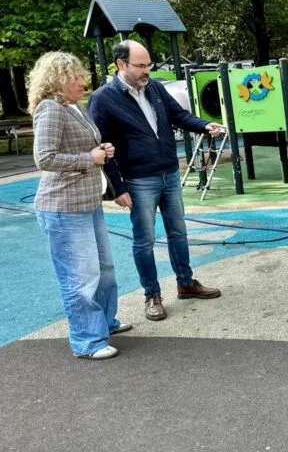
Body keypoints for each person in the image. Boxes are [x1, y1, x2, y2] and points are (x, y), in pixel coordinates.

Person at [88, 40, 224, 322]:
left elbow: (178, 115)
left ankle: (185, 283)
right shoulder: (103, 99)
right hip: (138, 180)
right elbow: (102, 145)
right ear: (121, 65)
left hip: (169, 173)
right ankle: (152, 294)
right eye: (140, 65)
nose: (146, 70)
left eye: (148, 64)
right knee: (144, 240)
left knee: (178, 232)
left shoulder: (155, 88)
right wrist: (118, 187)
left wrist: (204, 126)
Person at [30, 51, 131, 360]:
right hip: (63, 207)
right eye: (75, 77)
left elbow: (80, 147)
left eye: (81, 76)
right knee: (80, 276)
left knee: (105, 270)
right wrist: (90, 158)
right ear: (57, 81)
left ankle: (105, 322)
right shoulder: (50, 109)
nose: (82, 81)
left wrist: (101, 149)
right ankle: (88, 341)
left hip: (87, 203)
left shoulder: (75, 108)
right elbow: (44, 157)